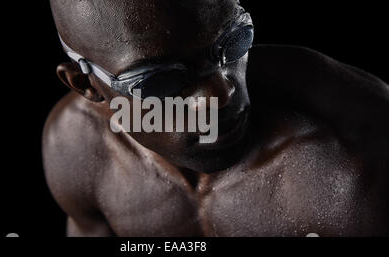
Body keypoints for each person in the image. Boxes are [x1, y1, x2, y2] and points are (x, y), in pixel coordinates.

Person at [43, 0, 389, 236]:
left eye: (234, 42)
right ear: (86, 85)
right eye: (159, 79)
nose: (219, 95)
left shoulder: (354, 159)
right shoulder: (77, 149)